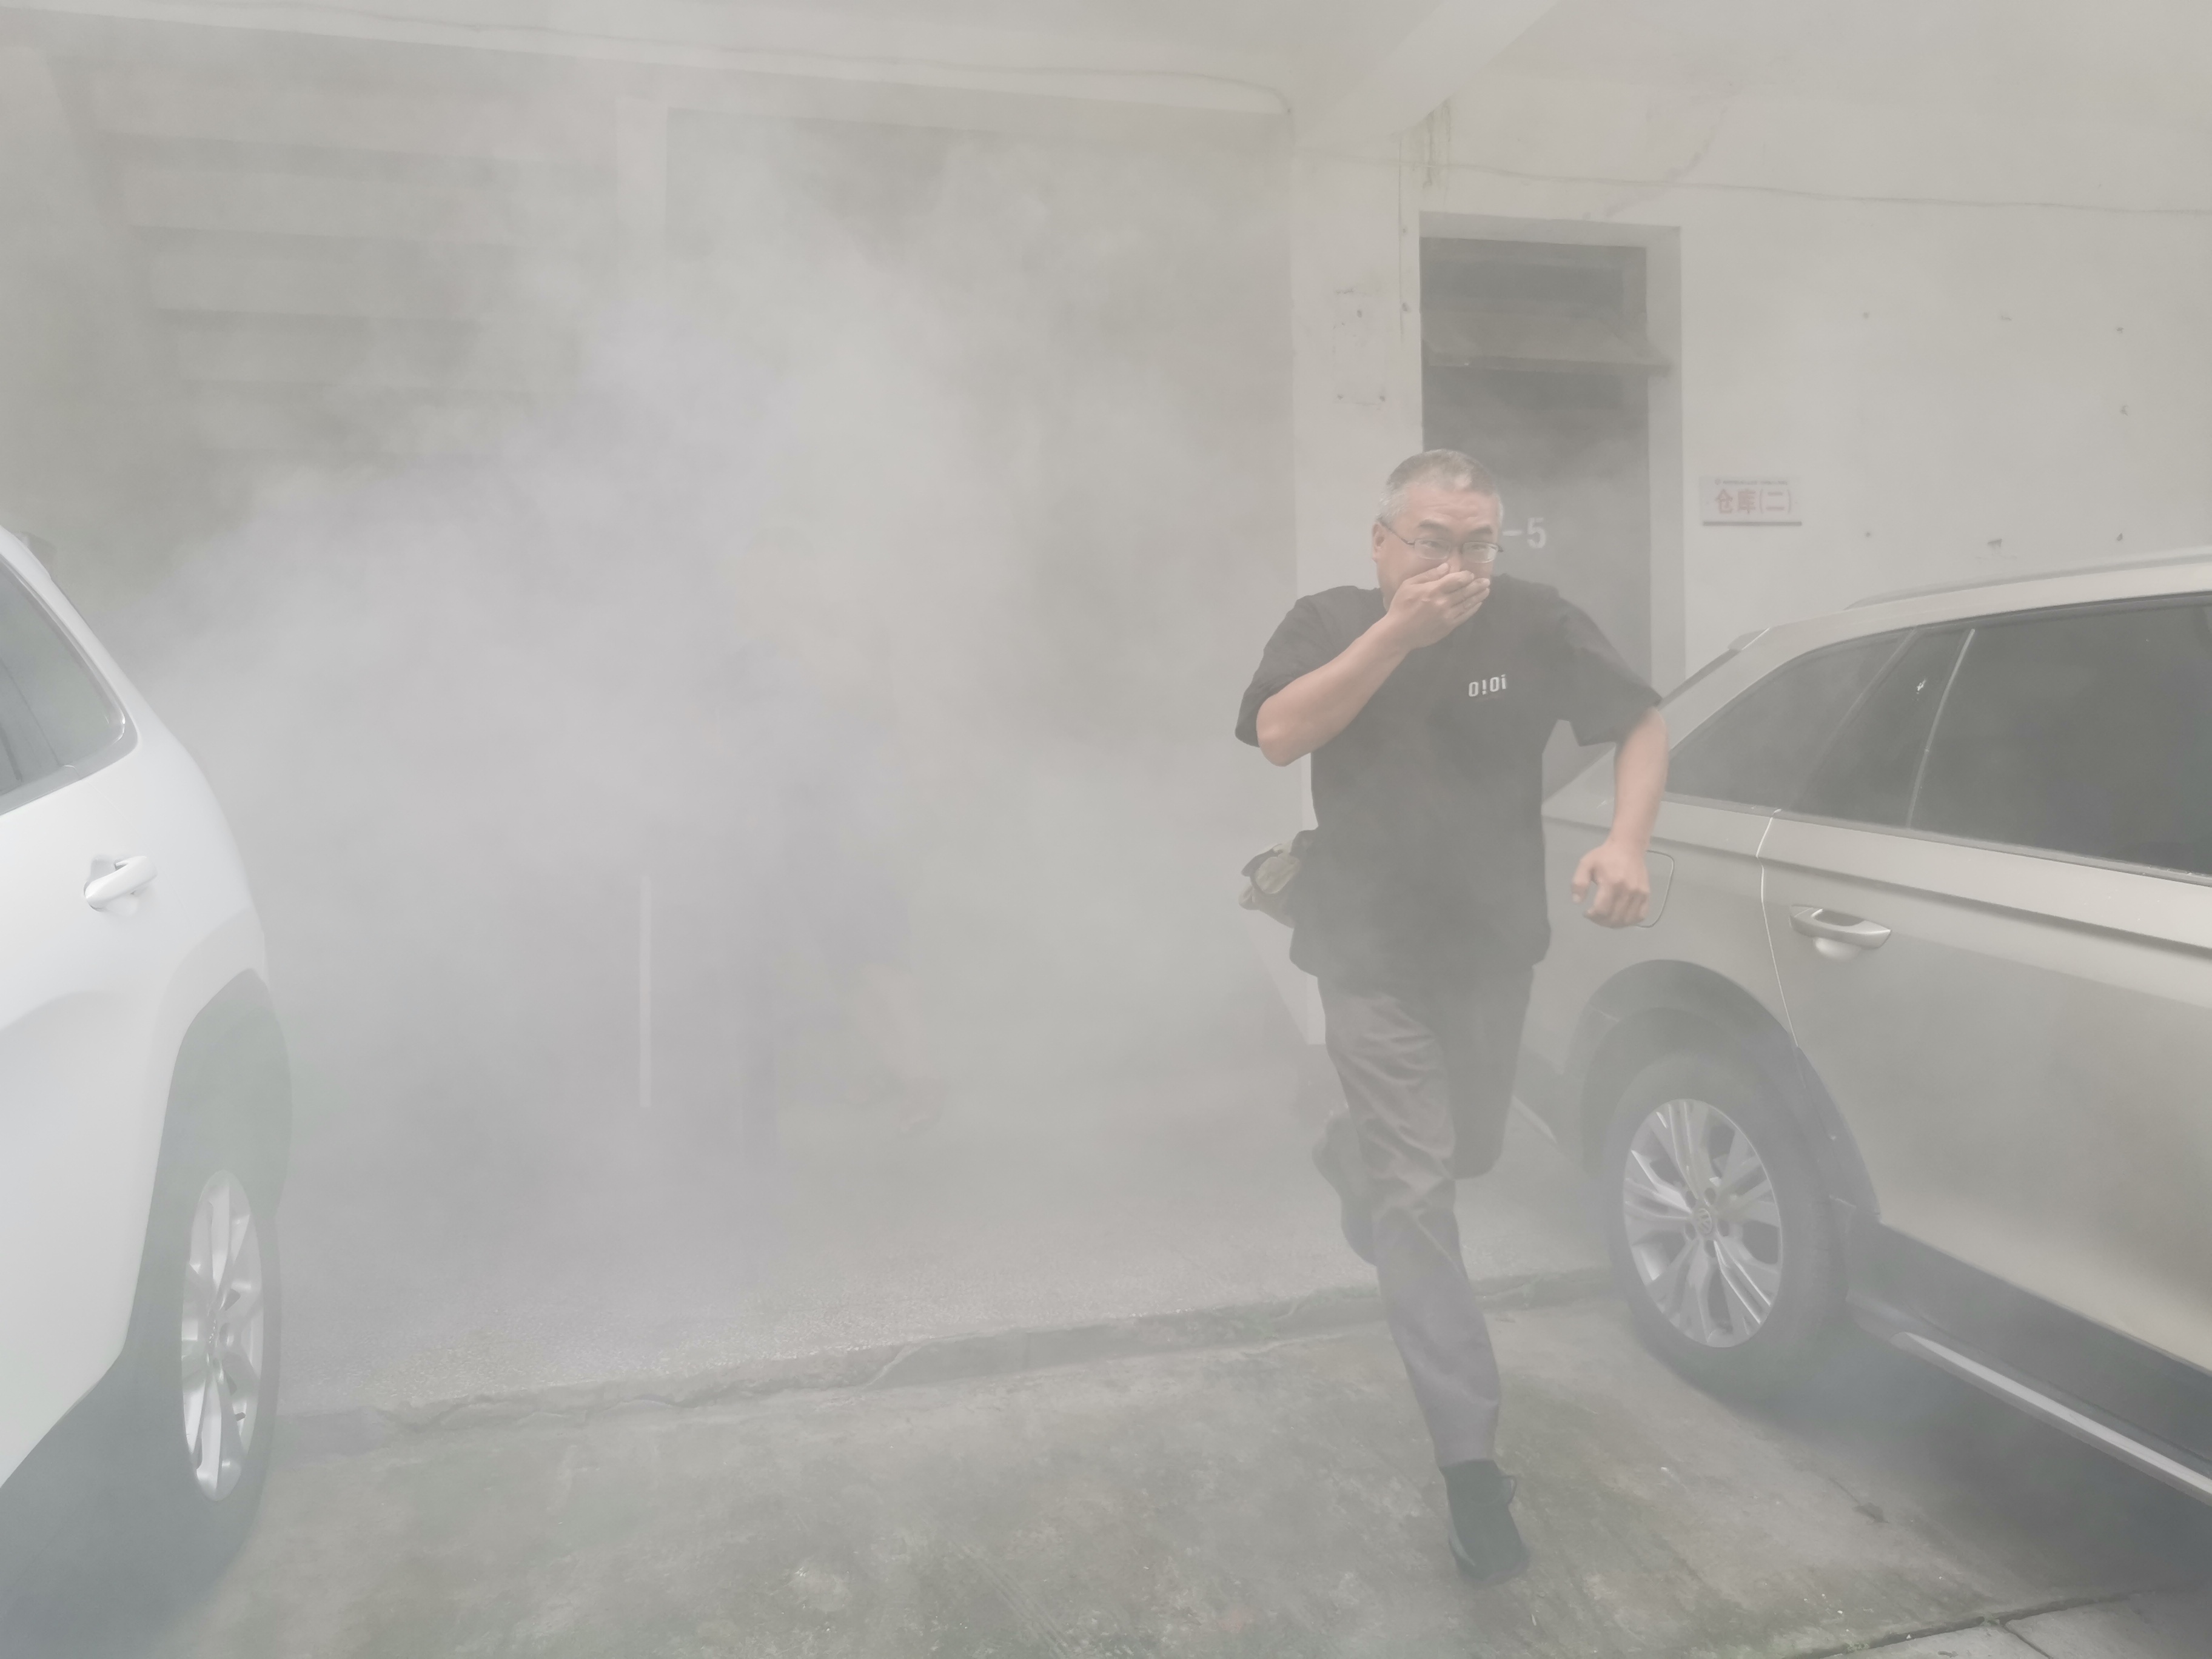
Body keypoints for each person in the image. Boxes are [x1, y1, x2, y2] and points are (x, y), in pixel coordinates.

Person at [1235, 449, 1667, 1584]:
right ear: (1383, 541)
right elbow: (1279, 733)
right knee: (1422, 1197)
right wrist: (1397, 635)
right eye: (1433, 541)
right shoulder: (1329, 620)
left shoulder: (1535, 619)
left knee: (1468, 1151)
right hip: (1366, 954)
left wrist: (1627, 841)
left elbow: (1639, 719)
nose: (1458, 563)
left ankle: (1351, 1157)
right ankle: (1472, 1469)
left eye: (1478, 544)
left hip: (1490, 952)